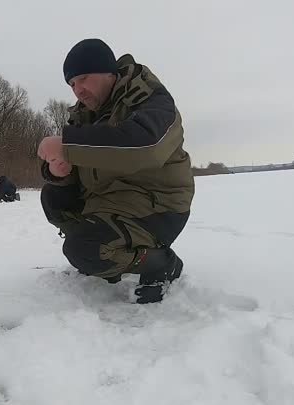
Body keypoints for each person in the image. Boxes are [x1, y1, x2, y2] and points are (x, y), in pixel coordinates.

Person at [37, 38, 195, 303]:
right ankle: (103, 254)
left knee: (85, 249)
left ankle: (159, 262)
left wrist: (69, 145)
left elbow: (145, 146)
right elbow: (82, 161)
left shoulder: (152, 99)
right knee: (54, 196)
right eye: (72, 84)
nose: (78, 90)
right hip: (113, 202)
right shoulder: (85, 114)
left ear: (109, 72)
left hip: (158, 207)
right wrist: (58, 170)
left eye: (84, 78)